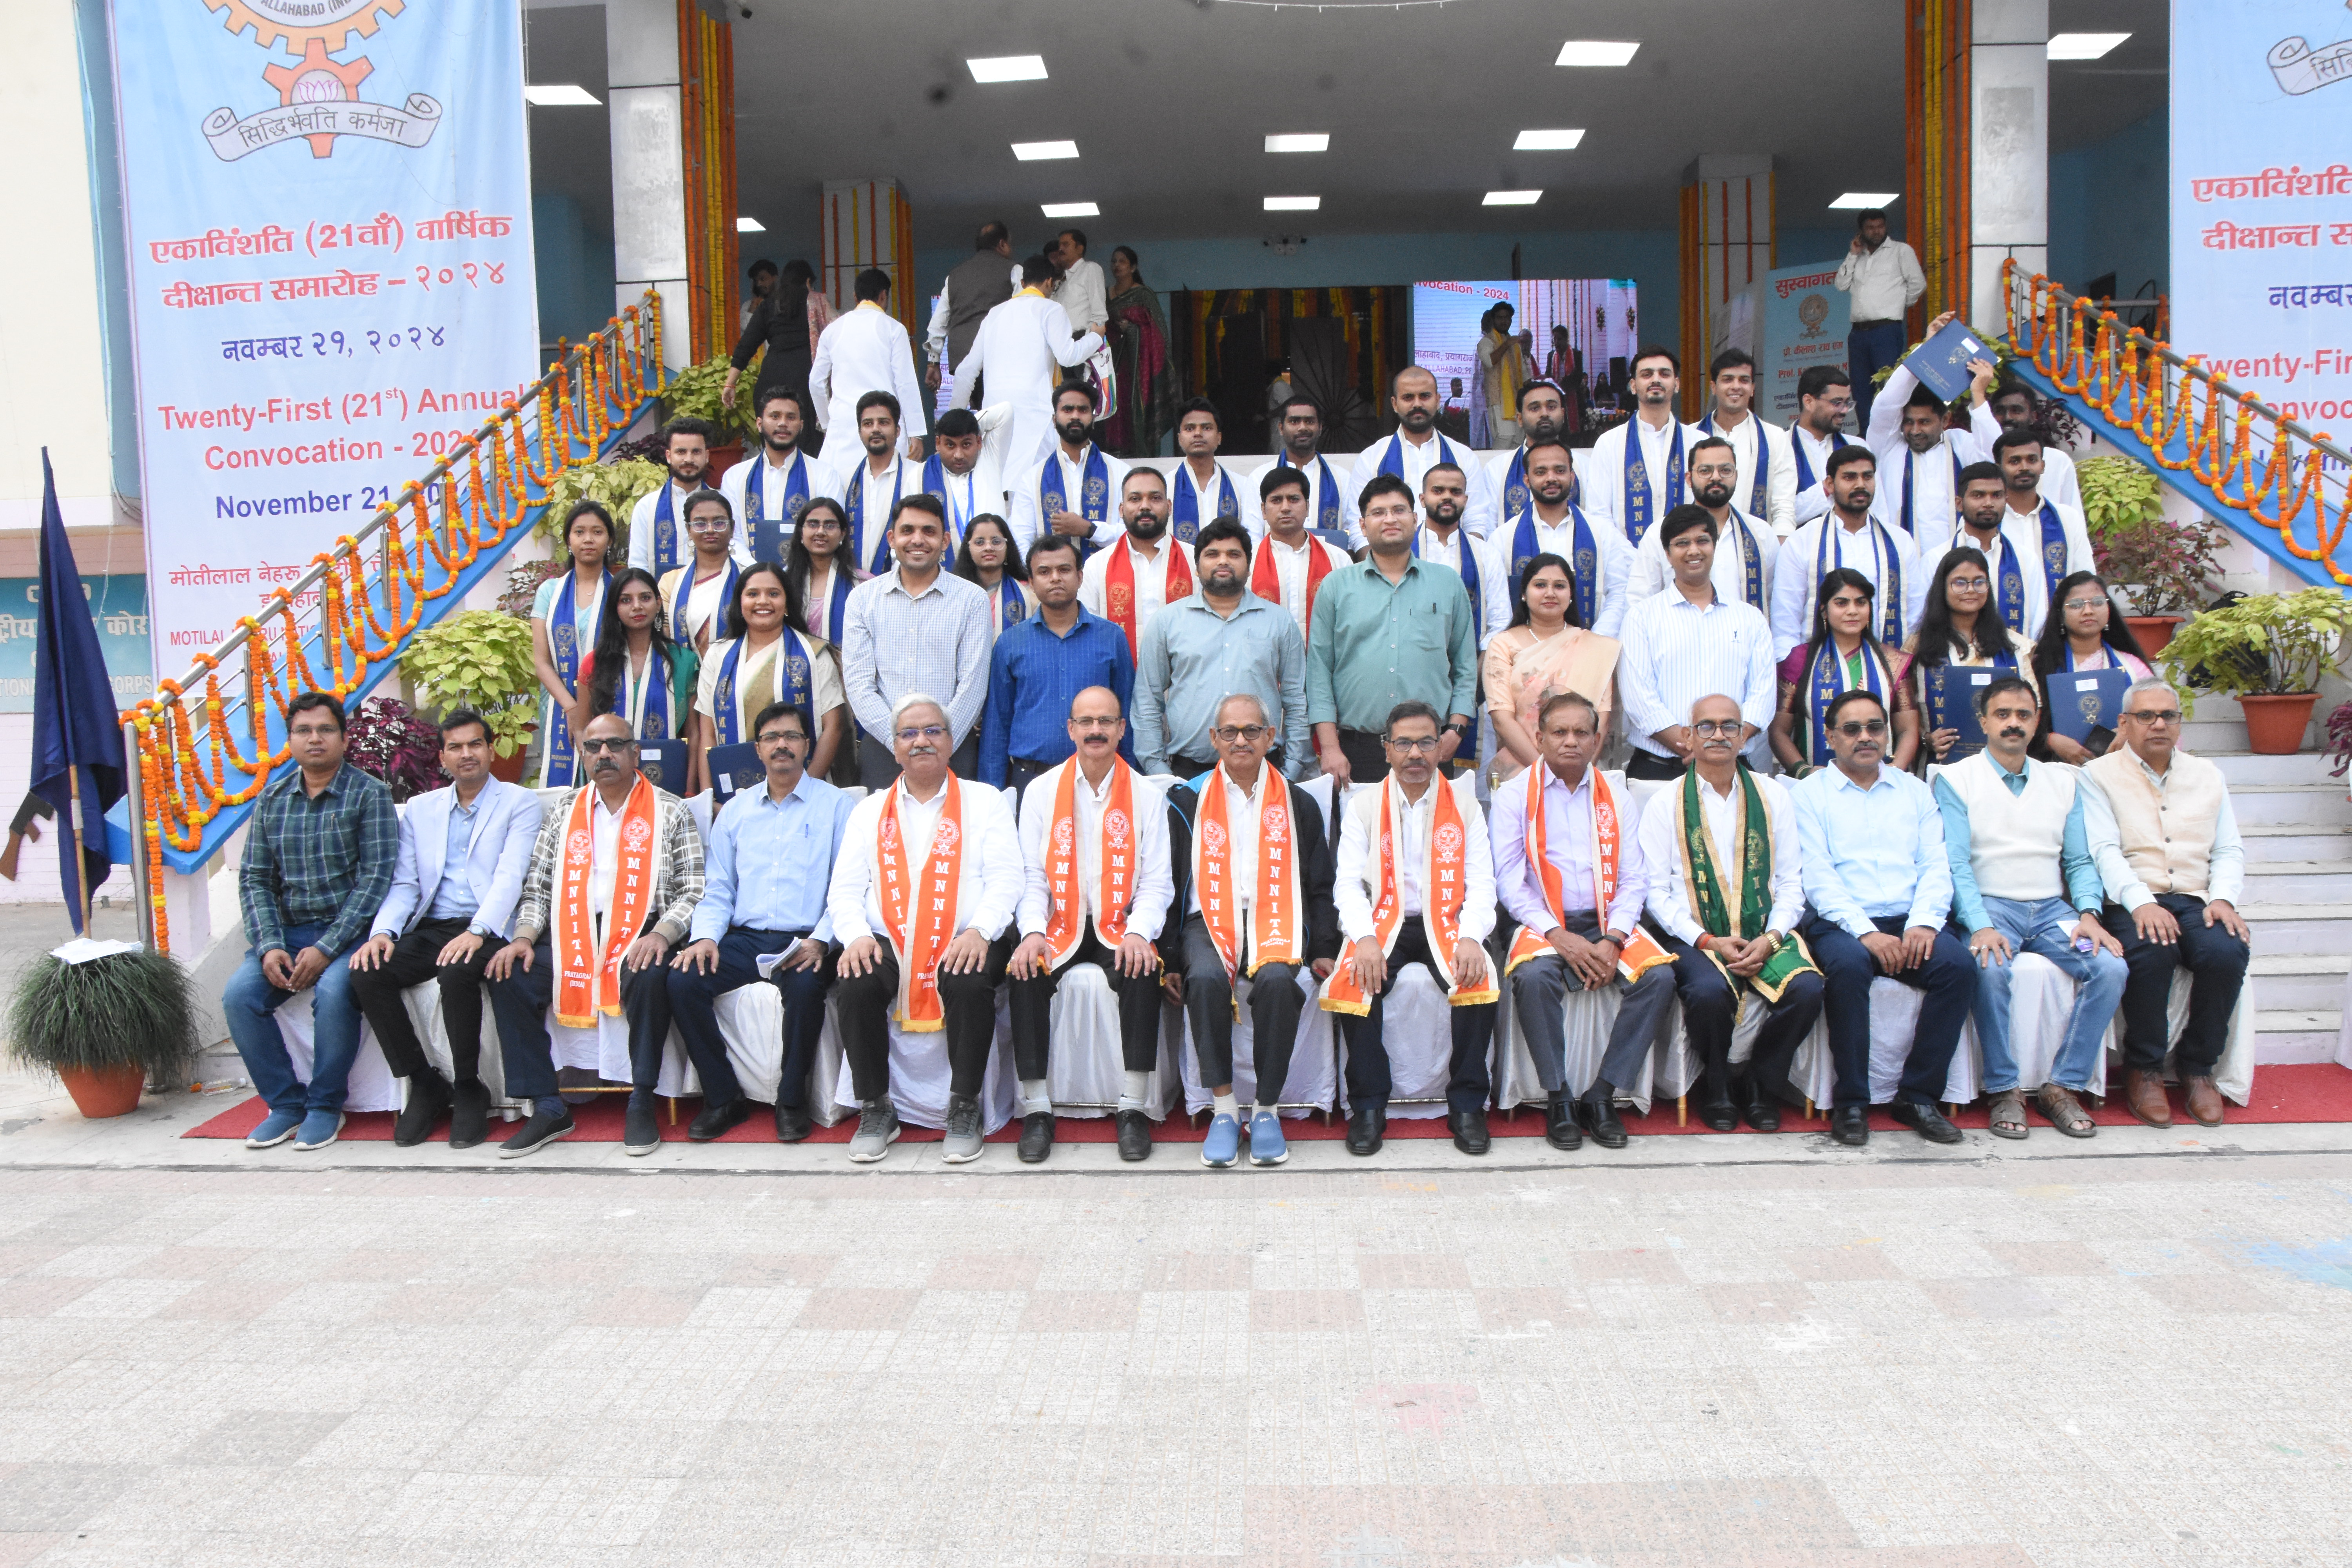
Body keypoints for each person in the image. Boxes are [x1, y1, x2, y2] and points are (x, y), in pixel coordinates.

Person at [485, 713, 704, 1158]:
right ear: (583, 755)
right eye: (593, 747)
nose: (604, 754)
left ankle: (641, 1098)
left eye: (615, 745)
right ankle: (547, 1106)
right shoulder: (565, 811)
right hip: (571, 930)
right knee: (510, 973)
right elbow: (538, 886)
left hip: (642, 930)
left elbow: (693, 888)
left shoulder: (670, 809)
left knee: (650, 975)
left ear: (635, 752)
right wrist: (523, 937)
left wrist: (663, 935)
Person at [826, 695, 1025, 1164]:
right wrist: (856, 936)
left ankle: (964, 1106)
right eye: (909, 734)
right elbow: (845, 889)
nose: (922, 741)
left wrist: (980, 931)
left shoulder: (985, 801)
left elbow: (1007, 878)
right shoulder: (869, 811)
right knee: (856, 980)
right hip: (889, 940)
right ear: (894, 747)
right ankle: (876, 1107)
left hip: (967, 936)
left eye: (933, 731)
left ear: (952, 742)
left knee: (969, 978)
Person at [1935, 674, 2129, 1140]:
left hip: (2051, 910)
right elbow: (1956, 864)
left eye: (2023, 715)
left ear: (2037, 721)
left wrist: (2089, 914)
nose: (2013, 723)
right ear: (1984, 721)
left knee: (2111, 968)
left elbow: (2079, 860)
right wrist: (1979, 924)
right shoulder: (1955, 779)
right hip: (1991, 905)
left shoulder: (2064, 780)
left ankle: (2063, 1085)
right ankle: (2004, 1088)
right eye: (2002, 714)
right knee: (1988, 968)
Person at [347, 709, 544, 1148]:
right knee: (367, 971)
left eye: (475, 744)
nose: (466, 754)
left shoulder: (519, 802)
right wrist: (383, 933)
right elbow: (406, 883)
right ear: (442, 756)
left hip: (492, 925)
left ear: (491, 750)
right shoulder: (422, 809)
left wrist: (478, 930)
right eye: (455, 747)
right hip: (435, 925)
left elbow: (511, 876)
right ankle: (424, 1081)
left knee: (457, 973)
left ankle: (470, 1086)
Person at [1790, 688, 1974, 1147]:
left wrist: (1924, 923)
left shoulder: (1913, 790)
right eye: (1852, 729)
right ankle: (1852, 1102)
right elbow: (1817, 876)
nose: (1866, 737)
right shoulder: (1808, 795)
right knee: (1849, 968)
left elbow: (1936, 863)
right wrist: (1867, 933)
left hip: (1910, 919)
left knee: (1958, 967)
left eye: (1875, 727)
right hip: (1842, 923)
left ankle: (1918, 1097)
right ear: (1830, 737)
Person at [1491, 692, 1673, 1151]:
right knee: (1533, 978)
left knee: (1660, 978)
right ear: (1540, 738)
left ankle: (1602, 1094)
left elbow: (1634, 878)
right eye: (1560, 732)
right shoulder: (1515, 795)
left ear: (1597, 740)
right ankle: (1560, 1098)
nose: (1571, 741)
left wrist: (1614, 937)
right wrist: (1558, 935)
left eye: (1581, 732)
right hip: (1542, 920)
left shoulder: (1617, 795)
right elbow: (1510, 882)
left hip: (1606, 918)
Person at [1636, 693, 1824, 1131]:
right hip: (1694, 935)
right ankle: (1718, 1085)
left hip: (1764, 931)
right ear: (1688, 737)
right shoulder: (1666, 803)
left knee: (1808, 989)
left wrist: (1772, 938)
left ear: (1744, 737)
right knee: (1707, 993)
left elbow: (1792, 882)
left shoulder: (1774, 796)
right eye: (1706, 726)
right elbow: (1655, 893)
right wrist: (1707, 940)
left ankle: (1760, 1083)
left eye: (1729, 726)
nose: (1718, 735)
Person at [667, 700, 852, 1145]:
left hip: (806, 939)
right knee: (682, 980)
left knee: (805, 988)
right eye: (771, 738)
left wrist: (822, 941)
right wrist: (705, 939)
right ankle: (722, 1097)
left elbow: (848, 886)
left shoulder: (837, 806)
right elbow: (719, 887)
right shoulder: (737, 811)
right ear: (758, 749)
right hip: (745, 938)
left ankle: (791, 1101)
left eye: (791, 736)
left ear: (807, 745)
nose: (781, 745)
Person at [1167, 693, 1339, 1169]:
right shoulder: (1187, 800)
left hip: (1276, 918)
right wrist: (1169, 956)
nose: (1240, 740)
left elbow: (1320, 885)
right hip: (1208, 921)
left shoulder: (1299, 803)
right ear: (1213, 738)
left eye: (1251, 730)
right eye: (1230, 731)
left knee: (1280, 981)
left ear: (1270, 736)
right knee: (1205, 978)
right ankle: (1224, 1109)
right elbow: (1169, 882)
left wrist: (1324, 947)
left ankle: (1266, 1109)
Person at [224, 691, 398, 1152]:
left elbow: (376, 879)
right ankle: (285, 1105)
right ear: (291, 740)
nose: (314, 738)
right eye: (303, 731)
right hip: (288, 933)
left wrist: (327, 948)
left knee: (336, 991)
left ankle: (325, 1105)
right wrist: (268, 944)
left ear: (344, 738)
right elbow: (255, 879)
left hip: (352, 934)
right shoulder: (273, 799)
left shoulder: (370, 794)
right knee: (240, 997)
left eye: (325, 730)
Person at [1008, 686, 1175, 1162]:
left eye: (1106, 721)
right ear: (1071, 729)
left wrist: (1139, 932)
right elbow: (1031, 876)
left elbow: (1157, 882)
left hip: (1118, 923)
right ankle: (1037, 1109)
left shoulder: (1146, 795)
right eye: (1086, 721)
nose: (1096, 730)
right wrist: (1032, 931)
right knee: (1025, 968)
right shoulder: (1041, 792)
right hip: (1059, 921)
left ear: (1122, 729)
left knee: (1143, 966)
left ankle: (1133, 1106)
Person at [1327, 701, 1499, 1156]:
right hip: (1386, 921)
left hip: (1449, 921)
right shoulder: (1364, 805)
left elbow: (1482, 881)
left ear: (1440, 747)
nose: (1416, 753)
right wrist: (1364, 938)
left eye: (1426, 742)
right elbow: (1347, 883)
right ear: (1386, 749)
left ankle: (1467, 1105)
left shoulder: (1466, 806)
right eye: (1404, 743)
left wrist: (1471, 936)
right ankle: (1368, 1106)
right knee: (1356, 978)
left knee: (1478, 978)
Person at [2080, 678, 2252, 1129]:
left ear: (2179, 723)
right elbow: (2104, 851)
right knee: (2152, 950)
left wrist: (2224, 899)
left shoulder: (2208, 774)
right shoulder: (2098, 775)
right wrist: (2140, 903)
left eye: (2168, 715)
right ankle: (2145, 1068)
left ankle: (2198, 1068)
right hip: (2131, 897)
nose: (2158, 724)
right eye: (2146, 716)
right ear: (2124, 723)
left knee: (2226, 950)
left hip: (2196, 897)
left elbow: (2228, 848)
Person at [1308, 474, 1481, 788]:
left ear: (1415, 519)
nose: (1390, 519)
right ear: (1363, 526)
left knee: (1432, 821)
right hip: (1356, 749)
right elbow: (1319, 671)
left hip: (1429, 747)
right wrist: (1330, 748)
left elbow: (1466, 665)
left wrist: (1456, 730)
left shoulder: (1447, 583)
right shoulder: (1336, 586)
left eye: (1399, 510)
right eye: (1378, 513)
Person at [1134, 517, 1308, 778]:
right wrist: (1159, 772)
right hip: (1187, 774)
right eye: (1212, 554)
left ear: (1249, 567)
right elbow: (1148, 699)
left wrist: (1291, 769)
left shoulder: (1279, 621)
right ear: (1197, 567)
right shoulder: (1167, 622)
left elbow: (1297, 700)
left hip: (1265, 771)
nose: (1223, 561)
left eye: (1234, 554)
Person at [839, 495, 993, 785]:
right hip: (884, 750)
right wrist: (901, 742)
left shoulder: (972, 599)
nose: (918, 540)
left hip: (954, 749)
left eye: (929, 531)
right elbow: (859, 686)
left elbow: (973, 685)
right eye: (907, 531)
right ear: (892, 538)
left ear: (945, 541)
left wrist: (938, 742)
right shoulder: (862, 599)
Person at [1616, 505, 1776, 781]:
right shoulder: (1642, 617)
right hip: (1660, 769)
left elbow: (1762, 695)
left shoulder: (1750, 618)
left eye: (1702, 541)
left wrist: (1720, 747)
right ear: (1667, 554)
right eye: (1682, 543)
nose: (1693, 551)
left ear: (1715, 546)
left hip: (1732, 767)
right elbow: (1639, 699)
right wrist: (1694, 748)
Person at [981, 534, 1135, 790]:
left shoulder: (1111, 638)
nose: (1055, 578)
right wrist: (992, 792)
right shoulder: (1010, 643)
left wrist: (1131, 776)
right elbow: (997, 723)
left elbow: (1127, 711)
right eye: (1044, 572)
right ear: (1031, 582)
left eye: (1064, 570)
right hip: (1030, 779)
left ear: (1080, 577)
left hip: (1099, 776)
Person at [695, 559, 848, 790]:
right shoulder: (718, 655)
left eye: (773, 594)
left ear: (787, 604)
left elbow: (833, 727)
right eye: (753, 594)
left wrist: (806, 792)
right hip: (734, 794)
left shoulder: (814, 654)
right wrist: (710, 796)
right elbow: (707, 733)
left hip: (805, 789)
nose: (763, 601)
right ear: (740, 603)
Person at [951, 254, 1105, 477]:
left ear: (1023, 283)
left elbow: (966, 370)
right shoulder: (1050, 309)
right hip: (1035, 412)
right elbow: (1068, 356)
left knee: (1000, 481)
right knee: (1037, 481)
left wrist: (953, 419)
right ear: (1050, 282)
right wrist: (1096, 337)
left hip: (995, 412)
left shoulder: (995, 314)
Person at [1772, 446, 1924, 658]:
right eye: (1850, 477)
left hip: (1887, 667)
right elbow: (1785, 621)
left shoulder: (1900, 541)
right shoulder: (1802, 542)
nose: (1861, 485)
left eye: (1867, 477)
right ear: (1830, 484)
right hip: (1818, 669)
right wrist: (1796, 670)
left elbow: (1915, 616)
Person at [1483, 554, 1620, 782]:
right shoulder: (1503, 644)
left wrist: (1576, 774)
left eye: (1559, 586)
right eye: (1540, 585)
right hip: (1522, 769)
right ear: (1524, 593)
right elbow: (1502, 719)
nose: (1550, 593)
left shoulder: (1593, 647)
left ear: (1571, 595)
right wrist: (1547, 774)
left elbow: (1602, 720)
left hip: (1582, 771)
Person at [1771, 567, 1918, 777]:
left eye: (1861, 602)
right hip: (1818, 782)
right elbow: (1779, 731)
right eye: (1842, 603)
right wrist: (1804, 772)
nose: (1853, 611)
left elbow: (1908, 730)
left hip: (1882, 781)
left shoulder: (1894, 662)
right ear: (1824, 611)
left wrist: (1893, 774)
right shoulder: (1801, 660)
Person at [1485, 439, 1630, 642]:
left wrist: (1593, 640)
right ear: (1527, 480)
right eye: (1541, 472)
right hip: (1524, 651)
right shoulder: (1503, 538)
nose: (1551, 478)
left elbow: (1619, 593)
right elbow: (1498, 607)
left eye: (1560, 471)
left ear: (1572, 477)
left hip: (1590, 648)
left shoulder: (1602, 532)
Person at [1906, 546, 2033, 766]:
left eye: (1979, 582)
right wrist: (1927, 739)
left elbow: (2034, 707)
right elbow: (1903, 711)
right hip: (1941, 765)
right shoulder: (1916, 646)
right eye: (1960, 583)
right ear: (1943, 588)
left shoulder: (2015, 646)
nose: (1971, 590)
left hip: (2005, 764)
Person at [1869, 328, 1997, 544]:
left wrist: (1978, 393)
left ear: (1945, 420)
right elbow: (1886, 404)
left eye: (1925, 422)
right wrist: (1927, 352)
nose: (1915, 430)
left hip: (1957, 559)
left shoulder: (1960, 443)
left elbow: (1993, 454)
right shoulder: (1889, 446)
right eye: (1909, 422)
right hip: (1900, 558)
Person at [1628, 434, 1776, 621]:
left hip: (1744, 637)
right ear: (1689, 479)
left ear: (1736, 476)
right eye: (1705, 471)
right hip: (1676, 635)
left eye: (1725, 470)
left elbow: (1774, 602)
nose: (1716, 477)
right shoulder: (1659, 533)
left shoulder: (1761, 533)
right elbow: (1639, 602)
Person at [1966, 431, 2095, 639]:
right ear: (1999, 467)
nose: (2024, 467)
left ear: (2042, 466)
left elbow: (2085, 579)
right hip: (1999, 635)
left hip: (2060, 635)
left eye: (2032, 460)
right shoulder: (1984, 522)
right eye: (2015, 461)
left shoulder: (2067, 519)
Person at [1348, 366, 1498, 543]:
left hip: (1452, 557)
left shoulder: (1463, 457)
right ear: (1395, 404)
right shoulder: (1371, 458)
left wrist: (1466, 557)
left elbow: (1477, 521)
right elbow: (1358, 526)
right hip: (1388, 558)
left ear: (1438, 400)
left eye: (1425, 396)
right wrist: (1374, 561)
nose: (1417, 404)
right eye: (1408, 397)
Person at [530, 501, 614, 788]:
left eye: (597, 532)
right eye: (580, 532)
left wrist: (587, 709)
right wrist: (572, 709)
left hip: (607, 699)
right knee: (564, 786)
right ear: (568, 540)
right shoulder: (549, 592)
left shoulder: (620, 591)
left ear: (610, 540)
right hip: (559, 702)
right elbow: (541, 662)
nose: (588, 539)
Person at [2031, 571, 2152, 764]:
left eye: (2097, 602)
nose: (2088, 611)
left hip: (2122, 769)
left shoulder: (2133, 667)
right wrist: (2050, 741)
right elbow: (2019, 721)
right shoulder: (2037, 667)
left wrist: (2128, 733)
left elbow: (2157, 717)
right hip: (2055, 771)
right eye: (2076, 605)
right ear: (2061, 615)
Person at [810, 267, 927, 455]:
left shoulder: (833, 330)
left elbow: (815, 383)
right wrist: (916, 433)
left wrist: (828, 424)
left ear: (855, 297)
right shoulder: (894, 329)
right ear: (884, 296)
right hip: (885, 426)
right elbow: (906, 383)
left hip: (843, 428)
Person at [584, 568, 701, 755]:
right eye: (626, 600)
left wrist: (690, 776)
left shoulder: (684, 662)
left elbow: (693, 734)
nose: (637, 606)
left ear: (659, 603)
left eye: (645, 598)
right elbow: (583, 731)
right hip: (608, 769)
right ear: (615, 608)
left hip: (667, 770)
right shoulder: (595, 662)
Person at [1080, 467, 1195, 655]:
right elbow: (1088, 633)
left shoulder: (1195, 560)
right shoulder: (1097, 565)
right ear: (1121, 510)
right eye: (1135, 499)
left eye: (1155, 498)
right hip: (1118, 672)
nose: (1145, 506)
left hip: (1183, 673)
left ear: (1169, 507)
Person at [1584, 346, 1693, 548]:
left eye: (1664, 374)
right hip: (1626, 561)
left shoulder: (1697, 442)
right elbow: (1599, 516)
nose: (1656, 380)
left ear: (1676, 384)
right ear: (1633, 386)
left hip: (1687, 557)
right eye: (1647, 374)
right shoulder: (1609, 443)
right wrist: (1632, 559)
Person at [1009, 381, 1131, 556]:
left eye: (1083, 410)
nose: (1075, 416)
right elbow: (1020, 540)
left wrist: (1090, 530)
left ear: (1093, 420)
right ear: (1054, 420)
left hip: (1108, 572)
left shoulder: (1121, 473)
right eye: (1068, 410)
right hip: (1050, 573)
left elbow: (1132, 533)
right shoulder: (1033, 478)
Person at [718, 388, 836, 565]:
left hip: (807, 574)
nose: (783, 423)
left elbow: (829, 531)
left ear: (801, 425)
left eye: (791, 417)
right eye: (775, 416)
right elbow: (731, 535)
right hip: (748, 574)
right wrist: (758, 571)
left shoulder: (825, 474)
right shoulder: (735, 476)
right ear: (759, 424)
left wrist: (794, 571)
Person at [1834, 209, 1926, 430]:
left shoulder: (1901, 251)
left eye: (1880, 227)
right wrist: (1853, 254)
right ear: (1861, 231)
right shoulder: (1857, 256)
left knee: (1887, 387)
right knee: (1860, 389)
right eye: (1871, 228)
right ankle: (1866, 436)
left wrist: (1898, 304)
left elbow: (1918, 284)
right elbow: (1841, 285)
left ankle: (1890, 434)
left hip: (1886, 331)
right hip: (1858, 333)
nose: (1876, 232)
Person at [1692, 349, 1797, 537]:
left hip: (1757, 543)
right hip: (1700, 541)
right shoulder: (1691, 436)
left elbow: (1784, 506)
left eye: (1744, 380)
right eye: (1728, 380)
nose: (1736, 386)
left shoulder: (1775, 438)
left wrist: (1779, 544)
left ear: (1753, 388)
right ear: (1713, 387)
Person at [1248, 467, 1351, 648]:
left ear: (1308, 507)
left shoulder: (1338, 559)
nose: (1285, 508)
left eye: (1294, 499)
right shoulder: (1248, 562)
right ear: (1264, 510)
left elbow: (1350, 619)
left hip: (1325, 661)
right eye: (1276, 500)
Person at [1247, 393, 1356, 542]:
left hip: (1330, 557)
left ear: (1320, 427)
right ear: (1281, 428)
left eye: (1309, 421)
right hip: (1272, 557)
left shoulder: (1341, 478)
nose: (1303, 427)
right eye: (1295, 421)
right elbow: (1252, 536)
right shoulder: (1260, 477)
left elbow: (1353, 530)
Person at [924, 220, 1016, 392]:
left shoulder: (954, 277)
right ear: (1002, 244)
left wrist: (933, 363)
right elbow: (1027, 310)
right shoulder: (1014, 270)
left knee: (979, 405)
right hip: (1001, 356)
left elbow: (939, 322)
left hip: (963, 359)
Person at [1103, 245, 1176, 458]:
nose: (1117, 265)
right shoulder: (1105, 295)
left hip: (1139, 367)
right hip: (1111, 363)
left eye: (1122, 261)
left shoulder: (1144, 295)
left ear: (1133, 267)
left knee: (1134, 407)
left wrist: (1133, 330)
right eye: (1114, 261)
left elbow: (1159, 333)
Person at [836, 390, 918, 579]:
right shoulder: (844, 479)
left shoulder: (916, 475)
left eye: (883, 422)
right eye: (868, 424)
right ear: (860, 433)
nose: (875, 429)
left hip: (903, 581)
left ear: (898, 431)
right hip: (850, 583)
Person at [656, 489, 748, 656]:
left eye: (719, 523)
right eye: (700, 524)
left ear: (732, 528)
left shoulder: (749, 579)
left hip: (737, 668)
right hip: (684, 670)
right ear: (689, 530)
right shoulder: (671, 582)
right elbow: (664, 637)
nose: (710, 530)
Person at [725, 258, 819, 418]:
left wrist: (730, 384)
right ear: (808, 282)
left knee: (773, 428)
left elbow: (746, 347)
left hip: (772, 379)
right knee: (804, 428)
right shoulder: (818, 307)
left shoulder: (768, 307)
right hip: (807, 378)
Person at [627, 418, 717, 579]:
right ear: (668, 456)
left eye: (696, 452)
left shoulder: (721, 505)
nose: (689, 459)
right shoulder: (647, 507)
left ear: (707, 456)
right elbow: (638, 565)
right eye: (681, 452)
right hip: (660, 592)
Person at [1414, 464, 1492, 646]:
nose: (1447, 497)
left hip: (1474, 658)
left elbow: (1500, 621)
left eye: (1456, 492)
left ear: (1465, 500)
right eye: (1438, 491)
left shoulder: (1486, 553)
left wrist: (1480, 660)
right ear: (1423, 500)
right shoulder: (1403, 551)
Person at [917, 406, 1007, 550]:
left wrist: (967, 422)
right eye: (950, 445)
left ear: (979, 442)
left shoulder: (989, 460)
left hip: (992, 559)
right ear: (938, 444)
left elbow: (1005, 412)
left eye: (966, 444)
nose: (958, 455)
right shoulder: (919, 476)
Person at [1987, 377, 2082, 513]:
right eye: (2000, 411)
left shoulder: (2058, 460)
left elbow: (2073, 512)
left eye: (2016, 411)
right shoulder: (1984, 456)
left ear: (2033, 417)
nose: (2008, 418)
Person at [1486, 379, 1572, 522]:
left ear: (1563, 415)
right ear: (1520, 419)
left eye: (1551, 407)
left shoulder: (1584, 467)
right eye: (1535, 408)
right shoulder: (1497, 469)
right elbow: (1489, 526)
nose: (1545, 414)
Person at [782, 497, 857, 651]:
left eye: (830, 526)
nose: (821, 532)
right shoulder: (782, 582)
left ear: (842, 534)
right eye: (813, 524)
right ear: (801, 532)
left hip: (844, 665)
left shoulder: (861, 584)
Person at [1789, 365, 1858, 526]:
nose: (1845, 411)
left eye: (1847, 403)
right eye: (1837, 403)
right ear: (1809, 402)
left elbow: (1876, 510)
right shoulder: (1779, 446)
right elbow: (1778, 515)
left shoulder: (1857, 446)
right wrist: (1826, 490)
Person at [951, 512, 1036, 642]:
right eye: (979, 542)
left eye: (996, 542)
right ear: (968, 548)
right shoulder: (955, 595)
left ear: (1007, 547)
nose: (989, 548)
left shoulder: (1029, 593)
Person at [1167, 396, 1240, 545]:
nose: (1198, 434)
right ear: (1180, 439)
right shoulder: (1165, 487)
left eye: (1206, 428)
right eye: (1190, 429)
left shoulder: (1241, 486)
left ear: (1219, 437)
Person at [1477, 305, 1533, 447]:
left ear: (1511, 320)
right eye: (1500, 318)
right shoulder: (1487, 342)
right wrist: (1506, 345)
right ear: (1494, 320)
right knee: (1505, 438)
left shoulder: (1515, 345)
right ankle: (1496, 464)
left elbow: (1525, 376)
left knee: (1518, 442)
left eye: (1507, 318)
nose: (1504, 321)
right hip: (1498, 401)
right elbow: (1490, 362)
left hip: (1517, 401)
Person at [1051, 228, 1108, 338]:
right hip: (1061, 341)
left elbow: (1099, 314)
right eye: (1060, 246)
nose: (1061, 249)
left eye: (1066, 245)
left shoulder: (1090, 269)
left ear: (1080, 248)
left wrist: (1092, 341)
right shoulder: (1061, 281)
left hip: (1082, 338)